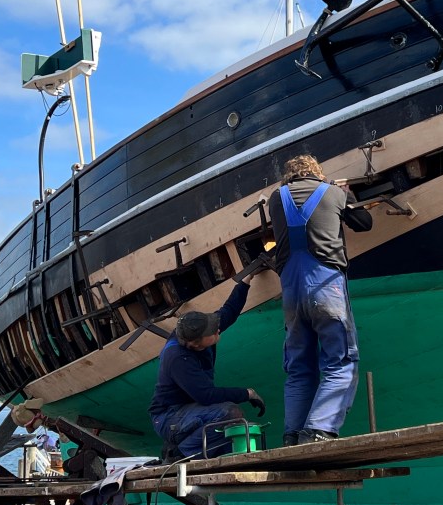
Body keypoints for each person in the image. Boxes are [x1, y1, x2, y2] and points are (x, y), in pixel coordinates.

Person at [267, 154, 373, 446]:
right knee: (341, 361)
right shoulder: (334, 193)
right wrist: (347, 194)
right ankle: (319, 430)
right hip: (326, 287)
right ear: (317, 173)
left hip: (291, 292)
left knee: (299, 367)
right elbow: (364, 223)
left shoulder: (276, 199)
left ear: (289, 176)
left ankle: (292, 434)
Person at [148, 267, 267, 459]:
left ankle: (219, 455)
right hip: (168, 417)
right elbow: (206, 395)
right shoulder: (178, 358)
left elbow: (229, 311)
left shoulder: (201, 330)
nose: (217, 330)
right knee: (230, 413)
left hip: (191, 409)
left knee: (230, 429)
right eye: (213, 332)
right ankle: (180, 453)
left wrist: (246, 280)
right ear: (196, 343)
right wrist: (247, 393)